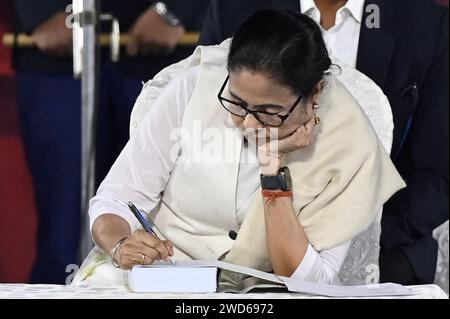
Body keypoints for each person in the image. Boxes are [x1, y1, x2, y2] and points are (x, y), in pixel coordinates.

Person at [73, 10, 404, 286]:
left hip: (263, 293)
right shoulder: (192, 90)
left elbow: (311, 281)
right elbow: (116, 198)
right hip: (165, 279)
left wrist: (273, 175)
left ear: (314, 93)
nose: (247, 123)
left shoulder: (348, 145)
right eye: (236, 102)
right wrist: (119, 244)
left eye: (268, 112)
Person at [199, 0, 449, 286]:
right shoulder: (234, 9)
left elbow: (438, 172)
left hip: (384, 238)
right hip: (239, 231)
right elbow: (203, 120)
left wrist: (358, 235)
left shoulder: (428, 25)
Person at [12, 0, 209, 284]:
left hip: (166, 52)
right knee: (64, 223)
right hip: (59, 55)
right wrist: (38, 11)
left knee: (167, 225)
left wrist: (178, 10)